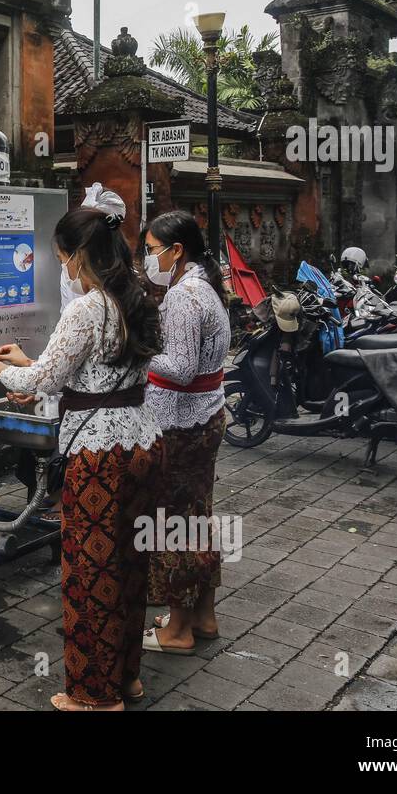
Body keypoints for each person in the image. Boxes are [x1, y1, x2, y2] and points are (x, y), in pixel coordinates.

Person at [0, 201, 162, 711]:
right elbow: (91, 374)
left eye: (62, 258)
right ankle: (126, 677)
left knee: (90, 572)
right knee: (128, 565)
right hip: (142, 442)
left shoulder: (88, 306)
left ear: (78, 255)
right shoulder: (140, 295)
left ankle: (94, 695)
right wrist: (32, 364)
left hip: (100, 453)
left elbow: (43, 381)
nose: (63, 268)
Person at [139, 210, 231, 655]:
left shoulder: (183, 296)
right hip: (206, 416)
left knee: (175, 524)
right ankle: (203, 615)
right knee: (199, 518)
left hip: (179, 424)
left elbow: (178, 368)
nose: (146, 258)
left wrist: (136, 354)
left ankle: (177, 631)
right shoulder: (208, 286)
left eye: (152, 250)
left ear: (177, 251)